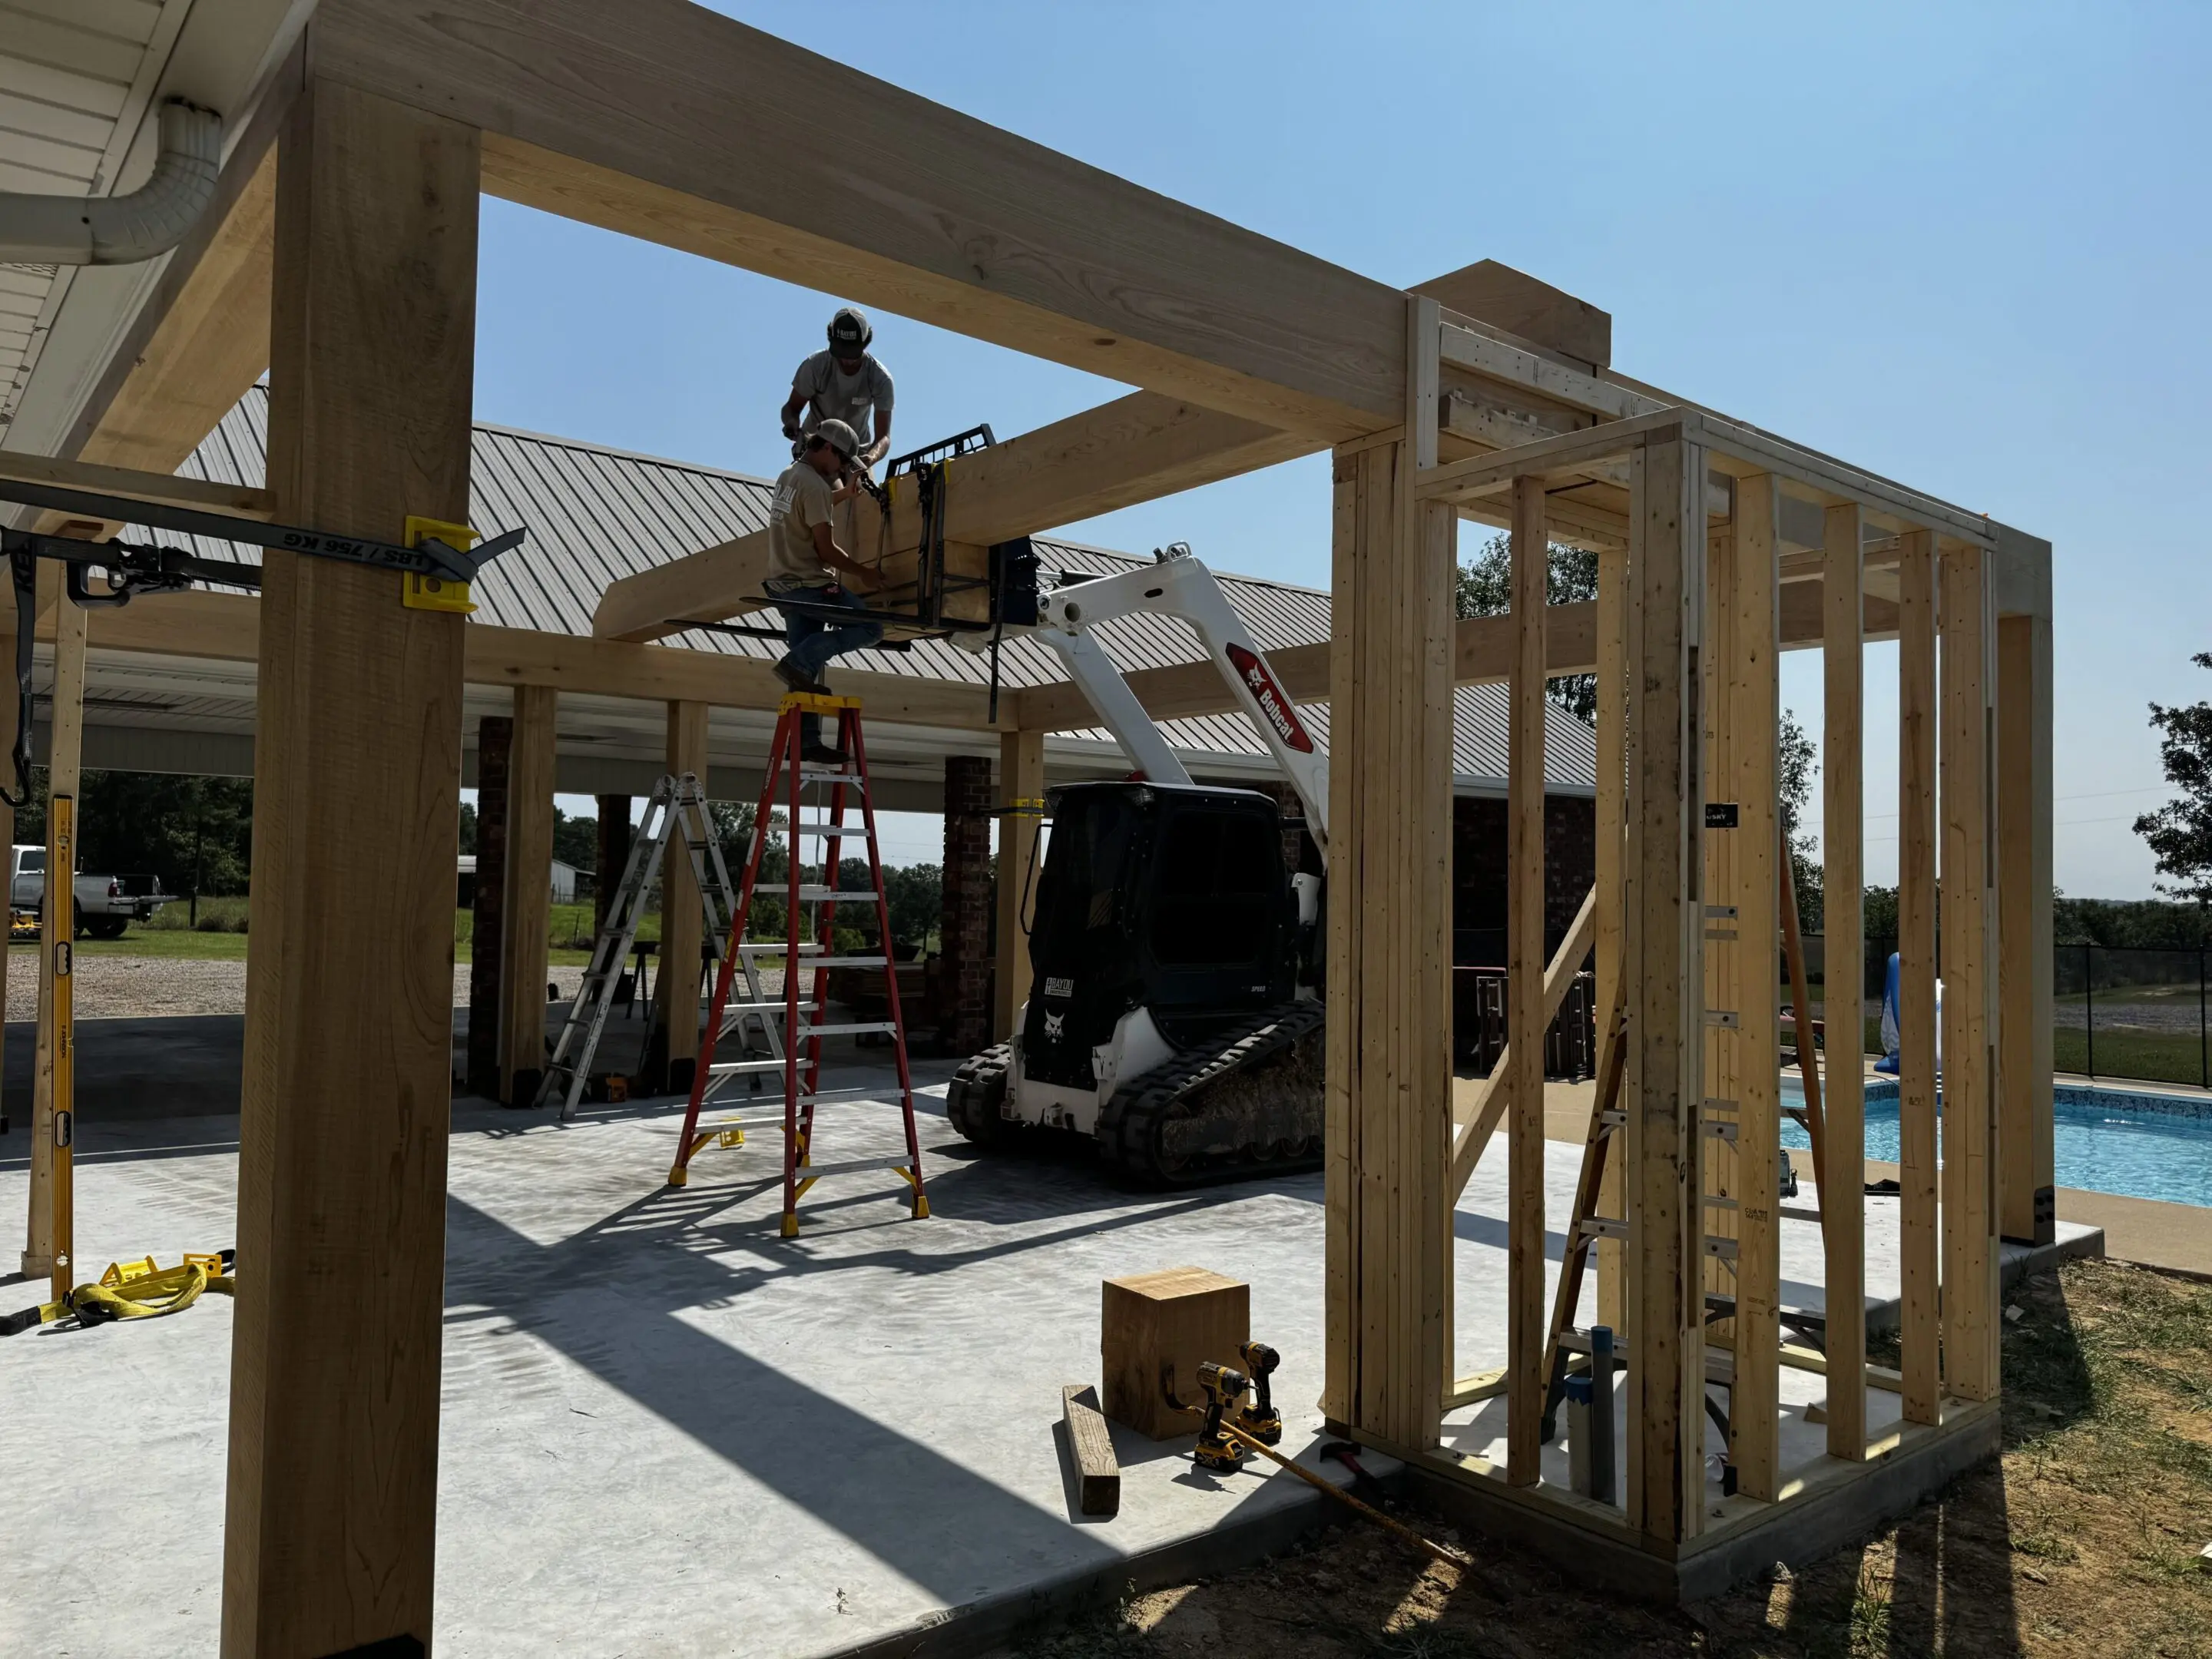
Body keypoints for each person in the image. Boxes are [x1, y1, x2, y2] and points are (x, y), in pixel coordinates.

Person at [765, 419, 884, 763]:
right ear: (828, 448)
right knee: (871, 628)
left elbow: (809, 507)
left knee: (805, 670)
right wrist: (866, 573)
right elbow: (827, 552)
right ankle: (796, 662)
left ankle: (806, 743)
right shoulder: (814, 485)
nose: (844, 469)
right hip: (809, 583)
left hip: (782, 585)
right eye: (844, 462)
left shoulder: (790, 476)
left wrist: (844, 494)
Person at [780, 305, 893, 474]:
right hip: (816, 452)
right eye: (841, 352)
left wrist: (870, 458)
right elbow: (791, 408)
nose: (846, 359)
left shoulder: (880, 378)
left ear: (865, 342)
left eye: (852, 353)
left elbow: (884, 438)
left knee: (863, 497)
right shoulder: (815, 366)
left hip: (855, 458)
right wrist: (791, 423)